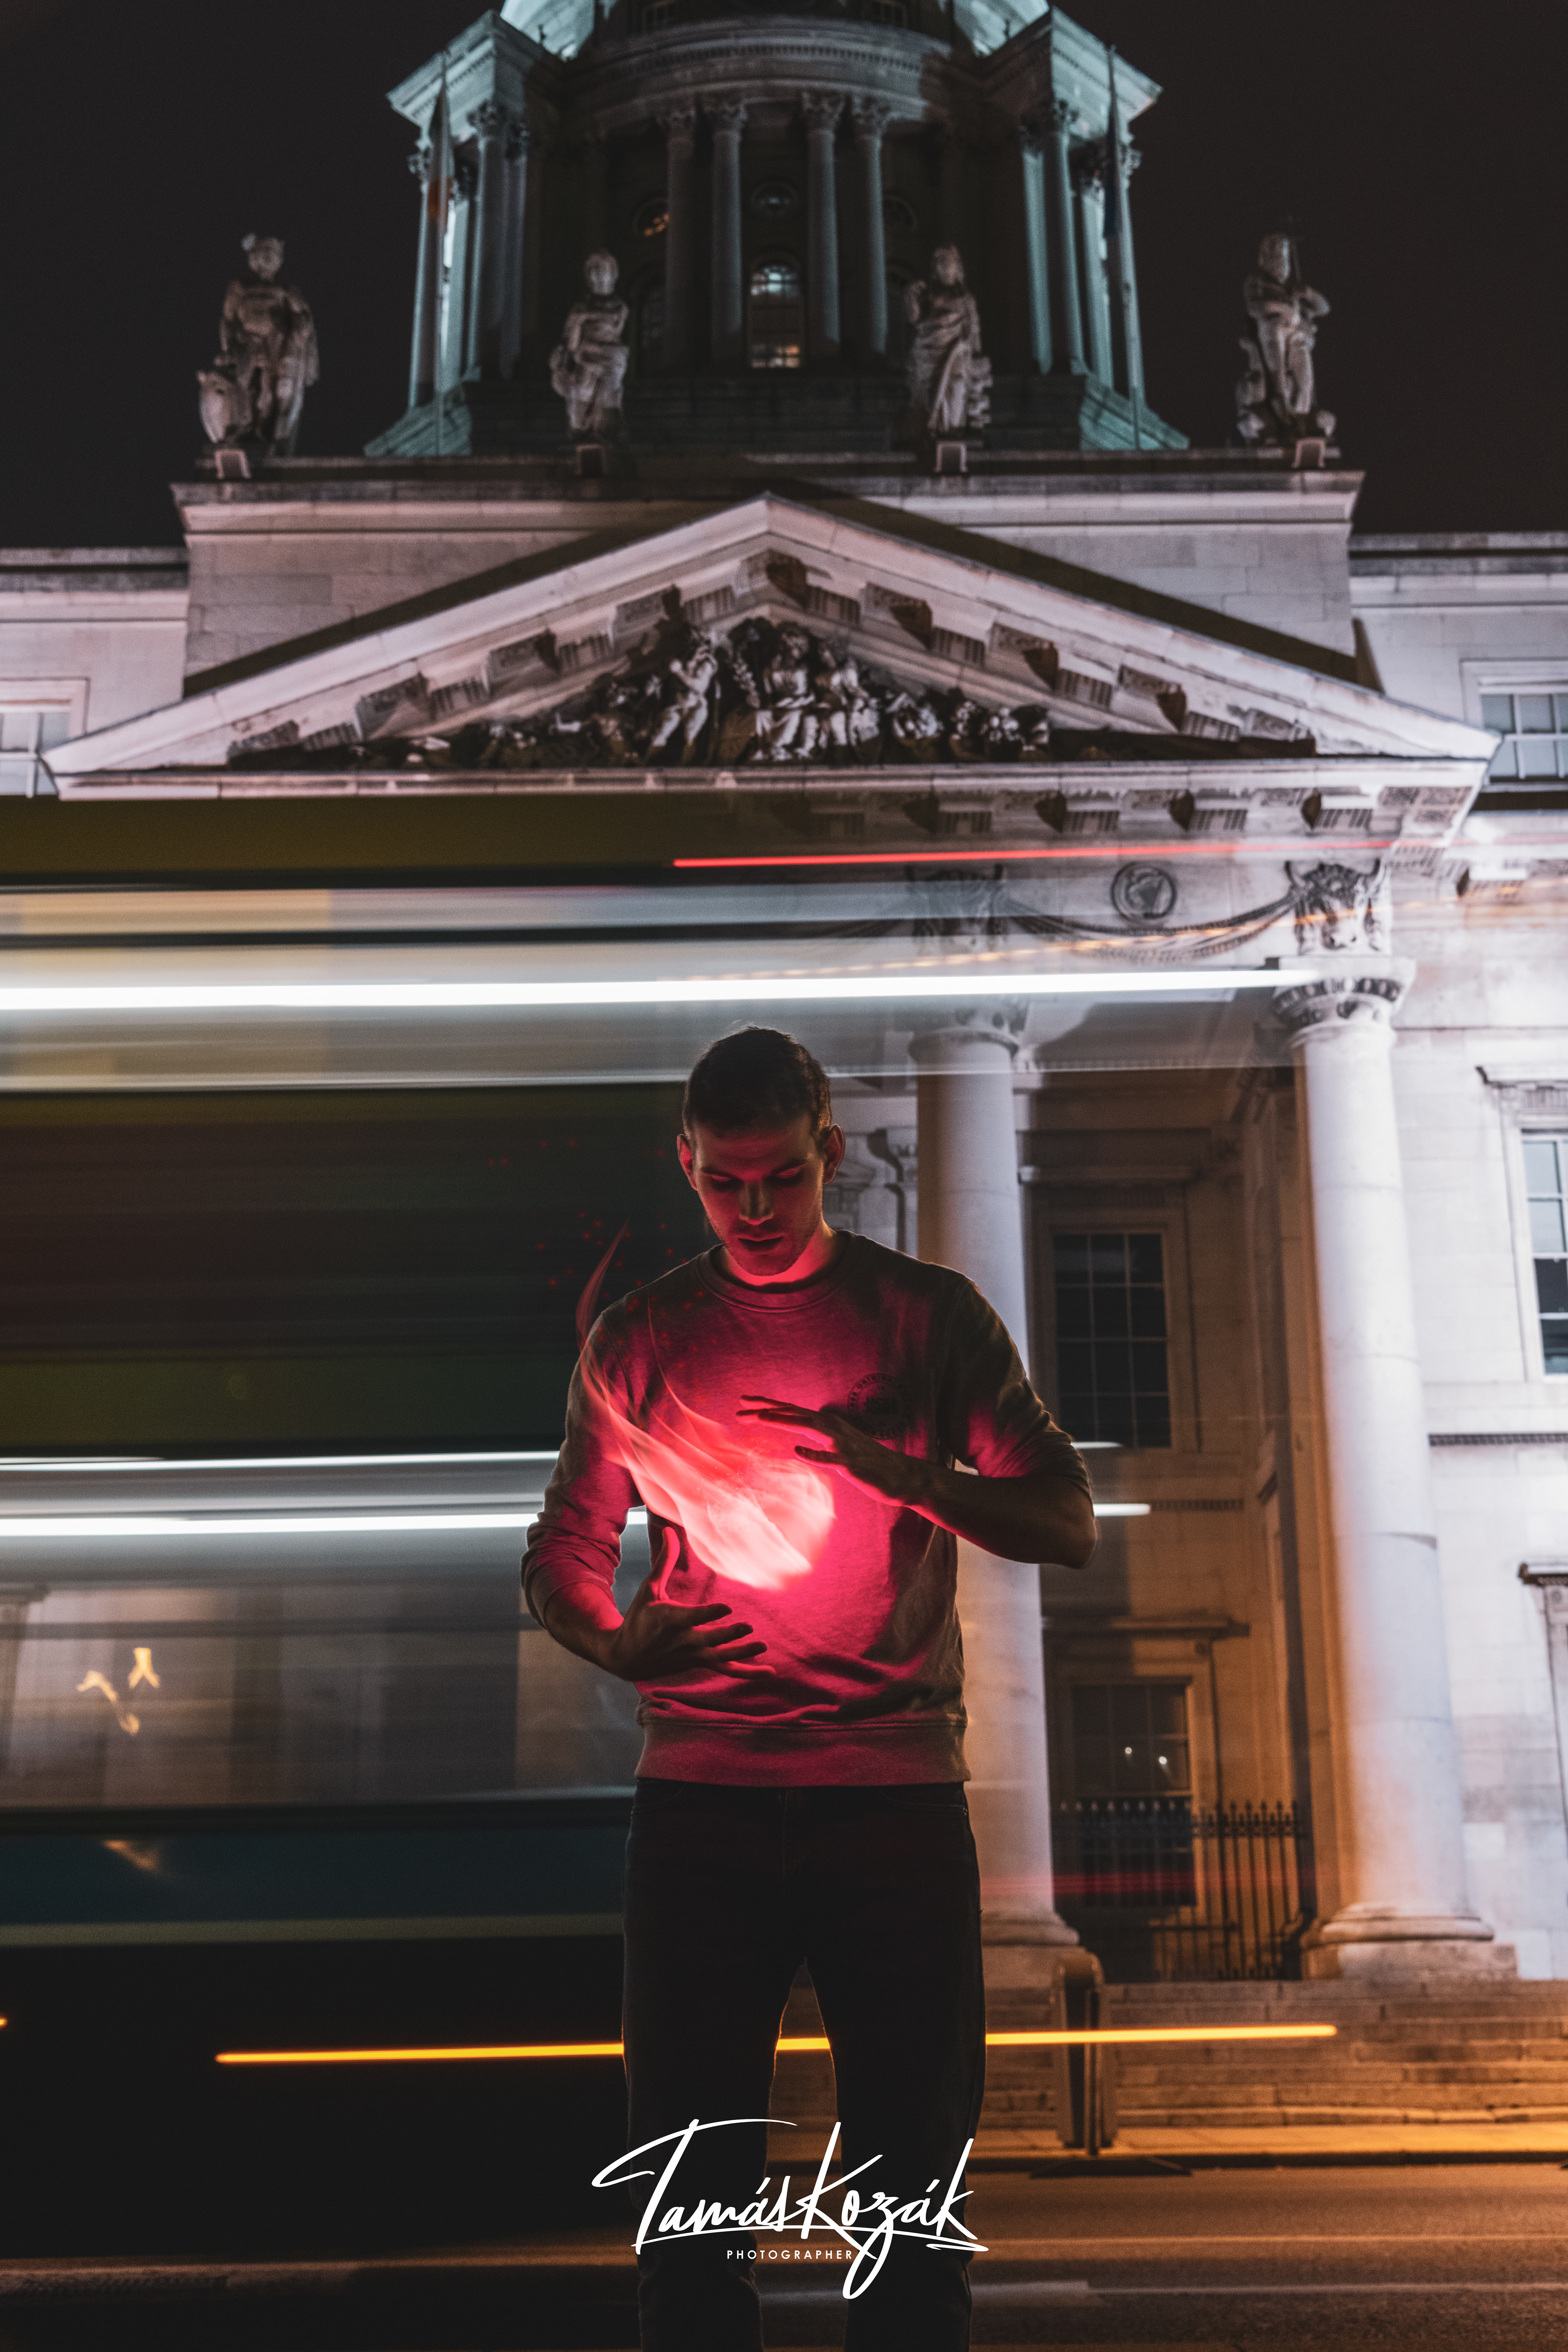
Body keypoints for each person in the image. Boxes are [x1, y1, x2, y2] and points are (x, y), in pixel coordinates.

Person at [523, 1027, 1096, 2352]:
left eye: (781, 1176)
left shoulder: (929, 1317)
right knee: (690, 2228)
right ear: (689, 1169)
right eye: (727, 1184)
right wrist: (613, 1641)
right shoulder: (642, 1338)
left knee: (905, 2224)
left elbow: (1064, 1518)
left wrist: (922, 1483)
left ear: (829, 1151)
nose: (757, 1209)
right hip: (699, 1813)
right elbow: (559, 1546)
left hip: (889, 1809)